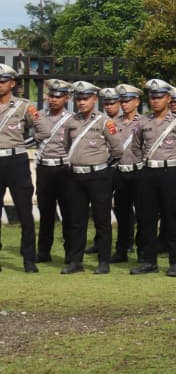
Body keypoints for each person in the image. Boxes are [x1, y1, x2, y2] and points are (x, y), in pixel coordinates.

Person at [130, 79, 176, 277]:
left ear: (168, 98)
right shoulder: (143, 122)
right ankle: (149, 261)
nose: (155, 101)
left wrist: (175, 163)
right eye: (152, 97)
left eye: (159, 97)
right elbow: (135, 147)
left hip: (171, 174)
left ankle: (175, 262)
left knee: (171, 218)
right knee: (147, 219)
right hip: (149, 173)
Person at [60, 81, 124, 274]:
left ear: (95, 100)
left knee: (102, 220)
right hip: (76, 177)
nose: (81, 102)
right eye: (78, 98)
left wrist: (102, 166)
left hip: (99, 176)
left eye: (85, 98)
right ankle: (75, 261)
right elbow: (66, 145)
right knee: (76, 221)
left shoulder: (105, 122)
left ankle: (103, 261)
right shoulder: (71, 122)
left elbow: (118, 150)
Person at [0, 63, 40, 272]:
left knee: (25, 211)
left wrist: (27, 144)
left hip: (17, 161)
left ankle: (29, 259)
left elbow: (41, 130)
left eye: (3, 81)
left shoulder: (24, 106)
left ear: (12, 83)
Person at [33, 79, 74, 265]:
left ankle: (70, 252)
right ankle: (43, 251)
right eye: (51, 96)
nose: (54, 100)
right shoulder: (39, 116)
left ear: (66, 98)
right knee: (46, 212)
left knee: (68, 212)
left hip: (64, 169)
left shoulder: (73, 119)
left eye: (58, 96)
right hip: (44, 168)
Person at [109, 84, 144, 264]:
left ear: (137, 101)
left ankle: (143, 251)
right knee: (122, 214)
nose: (124, 104)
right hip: (120, 172)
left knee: (143, 214)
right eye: (122, 101)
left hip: (139, 173)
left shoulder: (144, 122)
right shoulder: (114, 123)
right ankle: (121, 250)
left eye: (128, 100)